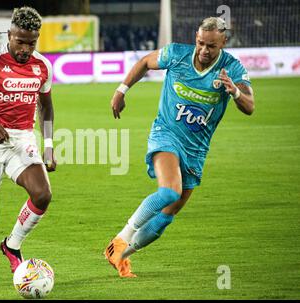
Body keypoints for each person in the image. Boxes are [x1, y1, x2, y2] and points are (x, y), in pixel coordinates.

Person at [104, 17, 255, 278]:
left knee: (166, 216)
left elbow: (250, 106)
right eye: (200, 43)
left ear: (223, 43)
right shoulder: (176, 54)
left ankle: (122, 256)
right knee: (169, 192)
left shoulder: (232, 67)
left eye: (211, 46)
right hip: (166, 134)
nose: (204, 51)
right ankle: (120, 239)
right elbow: (144, 62)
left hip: (196, 149)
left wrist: (235, 92)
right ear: (195, 39)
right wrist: (121, 90)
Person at [0, 6, 56, 290]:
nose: (26, 48)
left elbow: (47, 108)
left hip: (22, 139)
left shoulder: (42, 66)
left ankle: (12, 245)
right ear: (10, 34)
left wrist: (49, 145)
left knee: (42, 195)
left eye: (32, 42)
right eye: (21, 41)